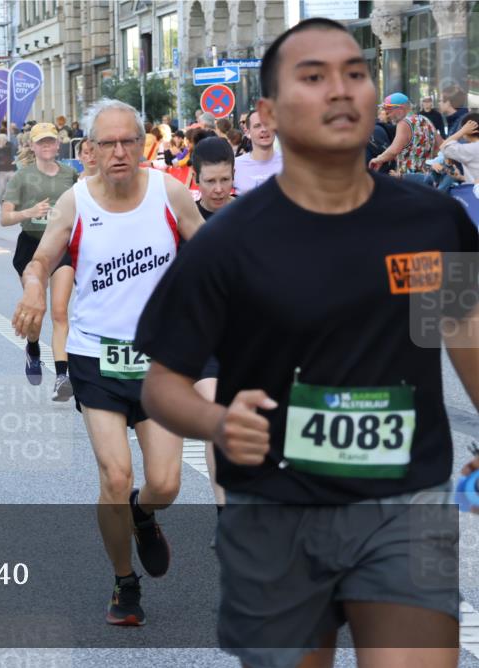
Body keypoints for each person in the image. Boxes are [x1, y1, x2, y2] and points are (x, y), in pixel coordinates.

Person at [136, 18, 477, 668]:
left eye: (355, 74)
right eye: (314, 77)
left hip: (405, 501)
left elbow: (466, 336)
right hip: (274, 507)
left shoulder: (433, 222)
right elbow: (163, 384)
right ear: (266, 111)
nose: (341, 90)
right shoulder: (227, 246)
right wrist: (216, 420)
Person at [11, 99, 204, 626]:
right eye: (107, 144)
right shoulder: (75, 202)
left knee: (165, 484)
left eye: (128, 142)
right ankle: (124, 581)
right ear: (89, 150)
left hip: (161, 360)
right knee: (115, 477)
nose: (119, 152)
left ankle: (144, 515)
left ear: (142, 144)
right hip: (96, 354)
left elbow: (214, 252)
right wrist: (33, 289)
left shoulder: (169, 192)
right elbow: (42, 259)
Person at [0, 123, 79, 396]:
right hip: (31, 248)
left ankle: (61, 376)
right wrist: (29, 211)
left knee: (59, 311)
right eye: (41, 142)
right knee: (37, 310)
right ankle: (32, 349)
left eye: (51, 141)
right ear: (32, 147)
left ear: (58, 145)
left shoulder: (71, 175)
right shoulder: (22, 178)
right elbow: (4, 217)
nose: (46, 146)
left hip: (60, 248)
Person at [188, 136, 237, 534]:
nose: (218, 189)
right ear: (196, 179)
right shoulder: (181, 220)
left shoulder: (253, 216)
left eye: (225, 180)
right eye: (211, 181)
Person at [368, 93, 437, 179]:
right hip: (426, 179)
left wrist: (378, 159)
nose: (387, 116)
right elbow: (438, 146)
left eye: (389, 112)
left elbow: (394, 150)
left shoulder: (404, 123)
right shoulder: (425, 119)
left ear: (400, 109)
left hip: (408, 181)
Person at [233, 109, 282, 194]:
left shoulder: (291, 164)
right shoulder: (235, 166)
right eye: (257, 126)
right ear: (248, 132)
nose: (264, 129)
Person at [437, 115, 479, 184]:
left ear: (469, 130)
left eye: (462, 128)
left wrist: (462, 131)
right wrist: (461, 177)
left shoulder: (472, 148)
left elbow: (444, 147)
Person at [0, 133, 15, 198]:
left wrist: (3, 147)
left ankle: (12, 200)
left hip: (10, 169)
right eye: (1, 140)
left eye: (4, 139)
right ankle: (0, 201)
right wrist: (0, 147)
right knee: (2, 188)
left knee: (13, 186)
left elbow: (12, 152)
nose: (3, 141)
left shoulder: (10, 145)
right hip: (0, 171)